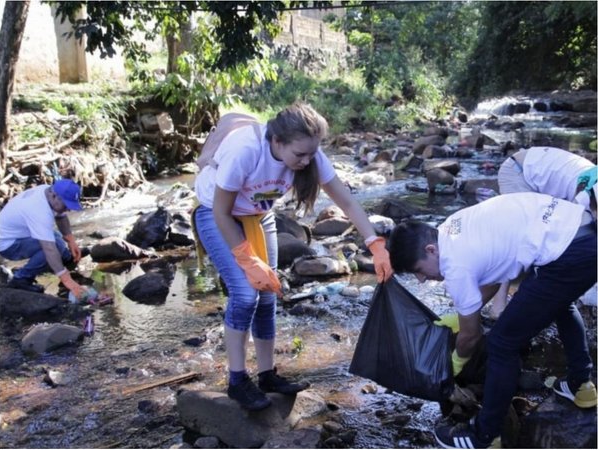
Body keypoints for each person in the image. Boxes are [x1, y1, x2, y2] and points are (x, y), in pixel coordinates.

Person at [193, 103, 393, 411]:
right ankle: (236, 381)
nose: (306, 161)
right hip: (217, 214)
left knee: (269, 293)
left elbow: (348, 202)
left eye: (311, 154)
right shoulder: (247, 150)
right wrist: (247, 259)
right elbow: (220, 211)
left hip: (259, 216)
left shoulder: (308, 153)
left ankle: (267, 375)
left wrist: (375, 244)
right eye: (299, 155)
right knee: (246, 295)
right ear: (276, 141)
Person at [388, 192, 596, 448]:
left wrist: (455, 364)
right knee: (560, 303)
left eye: (418, 271)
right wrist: (464, 313)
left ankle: (484, 435)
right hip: (585, 232)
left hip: (566, 255)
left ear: (431, 250)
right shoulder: (453, 226)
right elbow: (496, 275)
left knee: (501, 344)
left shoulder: (454, 266)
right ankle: (581, 384)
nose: (422, 279)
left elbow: (471, 337)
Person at [489, 146, 596, 317]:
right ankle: (498, 306)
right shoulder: (585, 198)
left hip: (538, 170)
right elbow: (566, 242)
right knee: (517, 238)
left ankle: (525, 297)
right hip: (519, 172)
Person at [0, 179, 88, 298]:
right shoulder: (38, 210)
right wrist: (67, 280)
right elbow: (49, 249)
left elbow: (61, 217)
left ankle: (66, 259)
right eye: (66, 205)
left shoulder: (49, 192)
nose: (68, 209)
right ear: (54, 195)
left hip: (22, 234)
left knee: (54, 237)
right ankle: (21, 278)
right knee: (51, 247)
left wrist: (71, 241)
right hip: (7, 244)